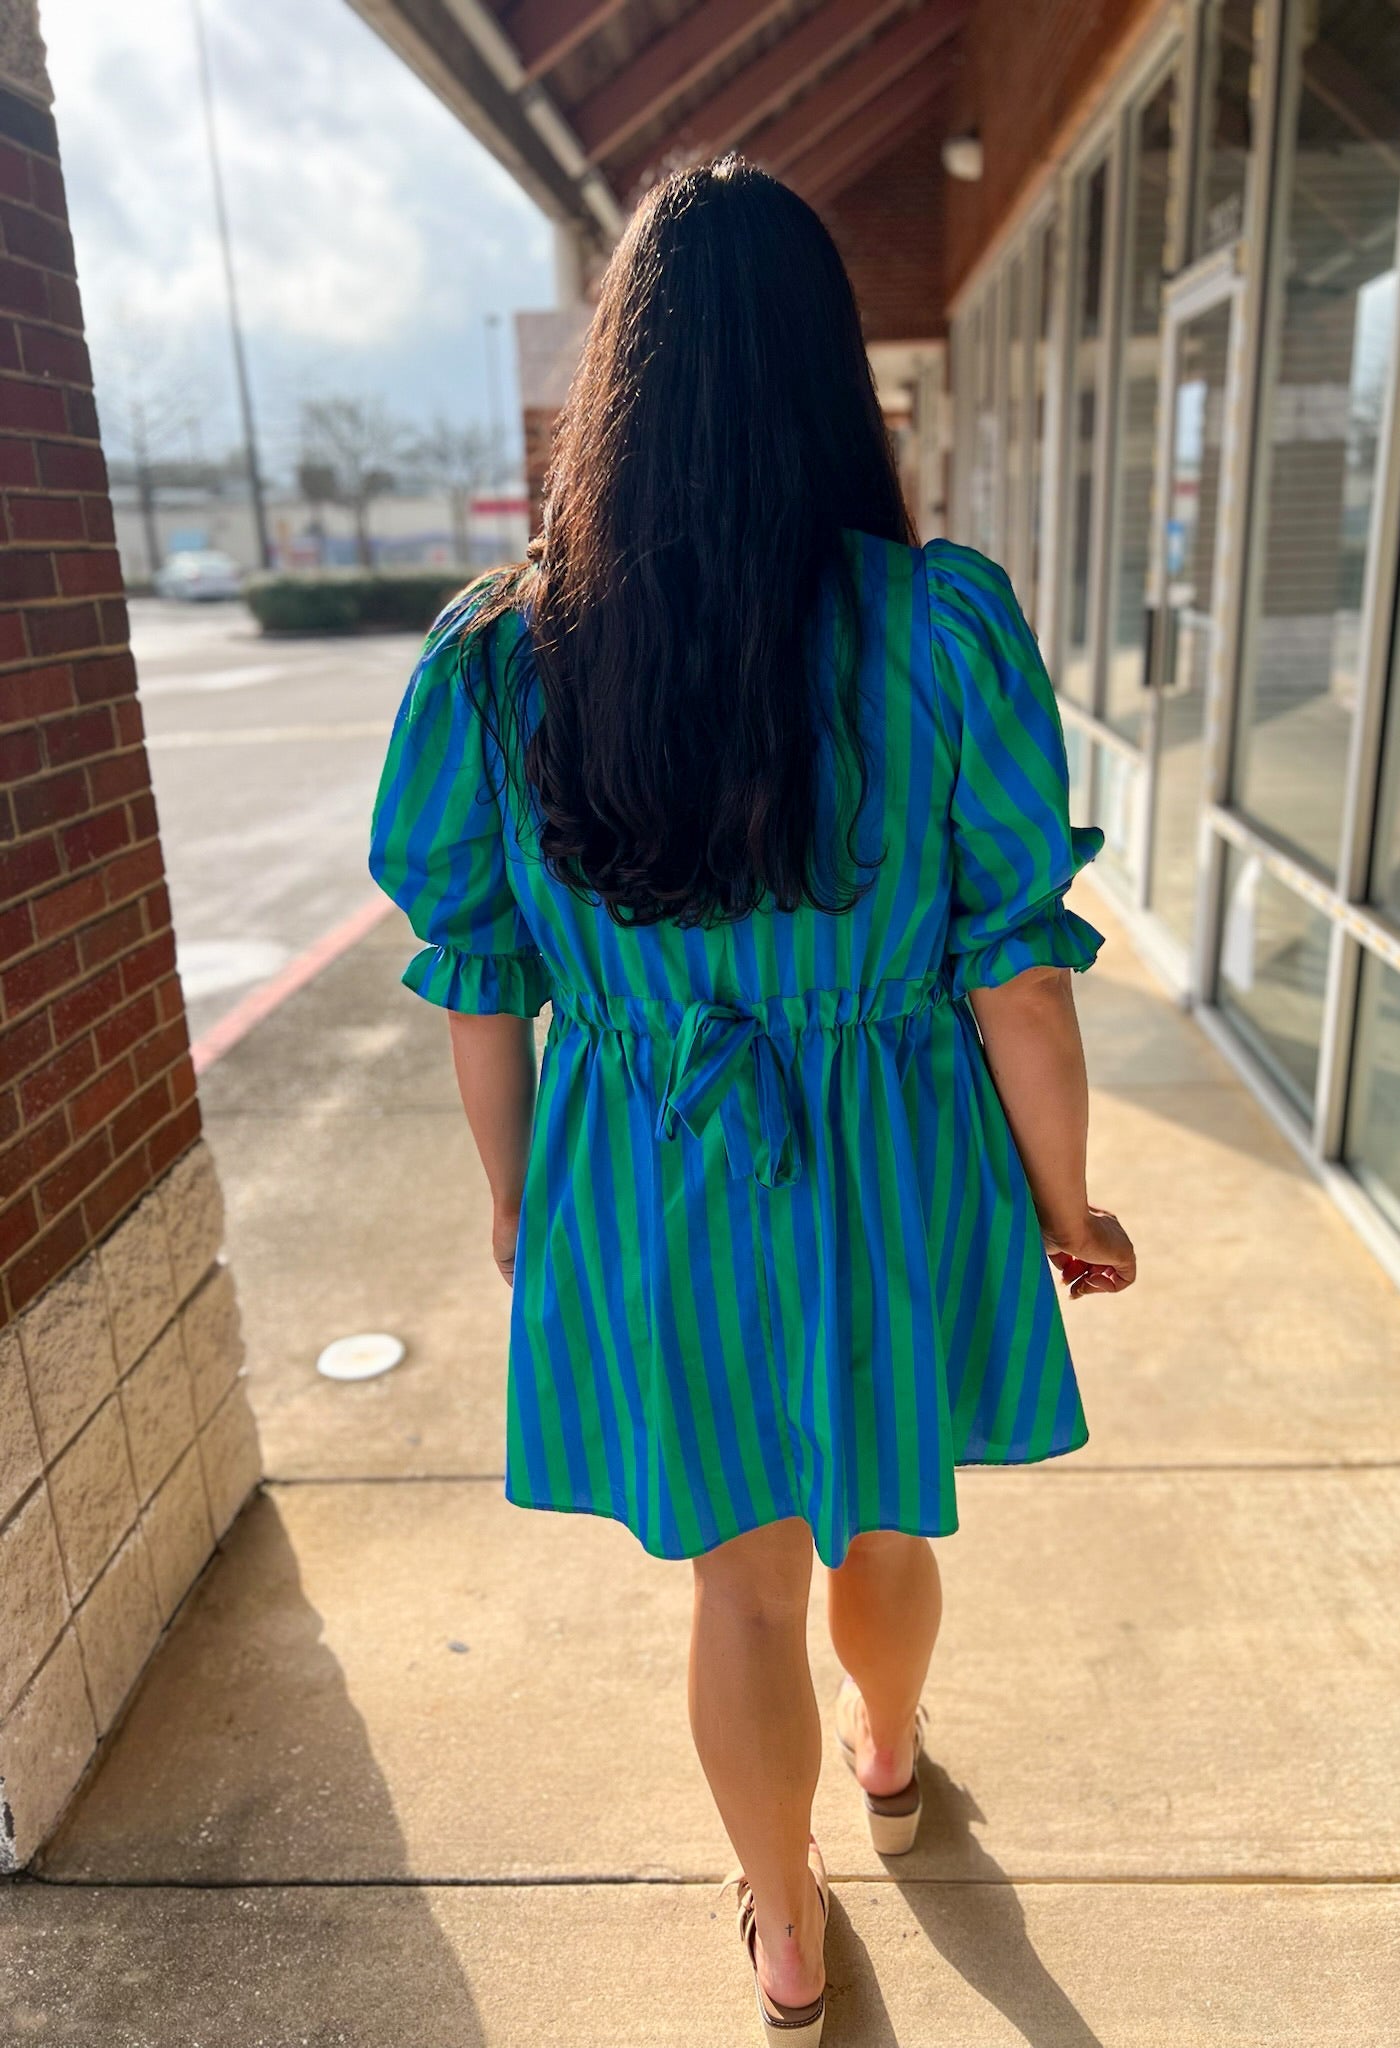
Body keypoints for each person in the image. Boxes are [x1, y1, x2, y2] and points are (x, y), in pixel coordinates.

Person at [367, 153, 1135, 2045]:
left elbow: (481, 982)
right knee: (883, 1523)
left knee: (740, 1587)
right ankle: (890, 1757)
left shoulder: (503, 657)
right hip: (895, 1159)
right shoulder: (939, 626)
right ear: (825, 374)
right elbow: (1021, 976)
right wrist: (1065, 1201)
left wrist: (519, 1201)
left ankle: (785, 1935)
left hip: (649, 1168)